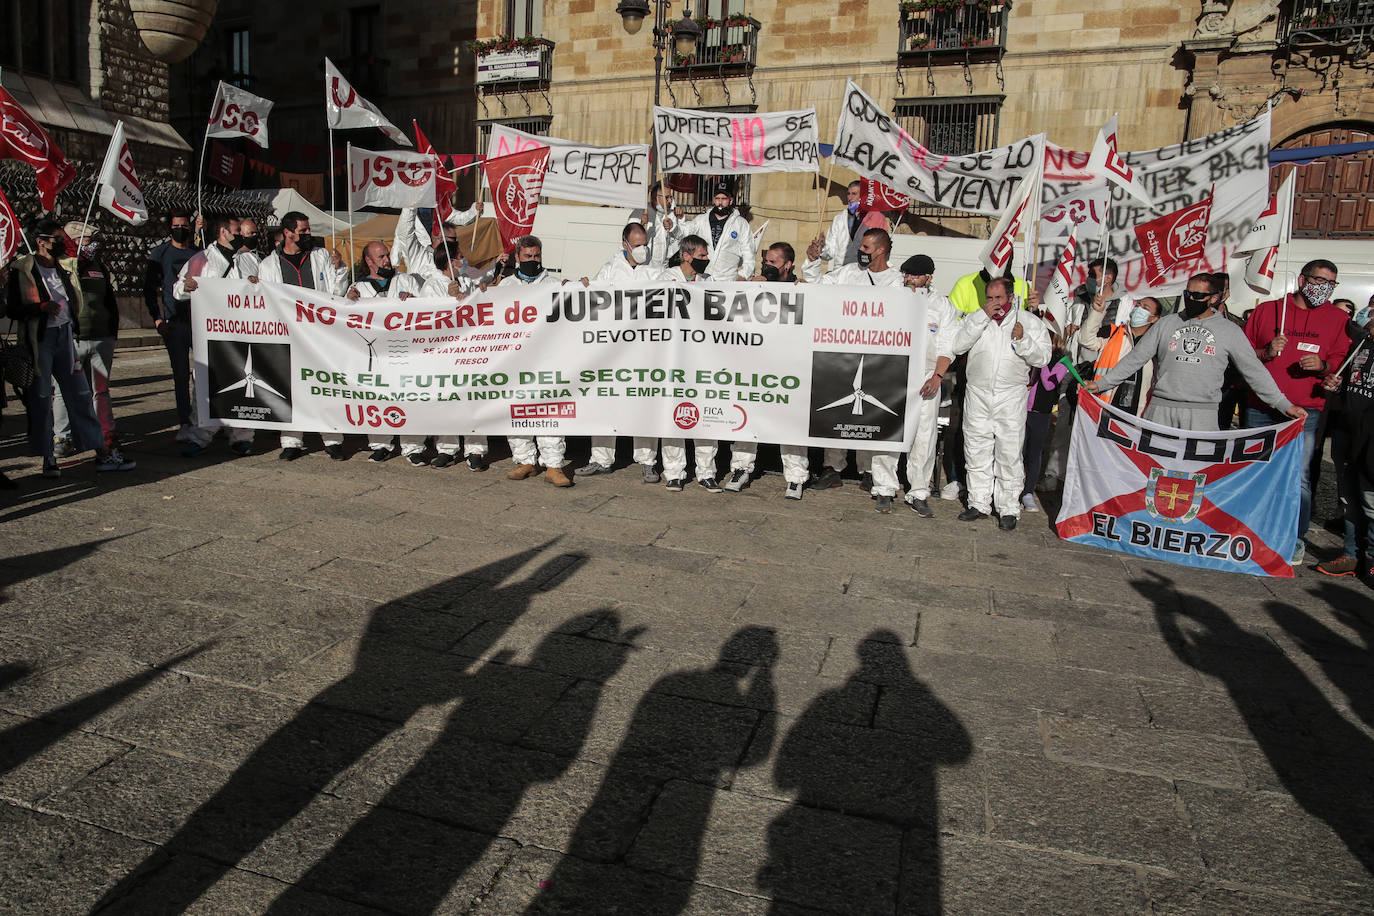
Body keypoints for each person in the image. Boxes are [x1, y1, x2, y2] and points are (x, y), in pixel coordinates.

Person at [1088, 273, 1304, 430]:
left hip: (1203, 415)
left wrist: (1284, 405)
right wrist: (1101, 384)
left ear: (1213, 298)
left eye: (1199, 296)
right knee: (1153, 473)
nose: (1191, 300)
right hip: (1160, 410)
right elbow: (1135, 359)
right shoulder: (1166, 324)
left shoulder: (1230, 331)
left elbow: (1254, 371)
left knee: (1193, 479)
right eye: (1188, 294)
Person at [6, 217, 135, 477]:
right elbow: (12, 309)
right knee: (43, 398)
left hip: (65, 337)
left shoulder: (65, 267)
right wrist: (39, 308)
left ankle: (101, 451)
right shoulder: (22, 269)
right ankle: (48, 457)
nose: (61, 244)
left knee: (81, 395)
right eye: (56, 239)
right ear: (41, 242)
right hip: (40, 340)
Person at [1243, 259, 1351, 565]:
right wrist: (1265, 351)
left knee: (1298, 478)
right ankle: (1250, 529)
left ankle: (1294, 537)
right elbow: (1242, 351)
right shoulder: (1269, 310)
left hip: (1306, 410)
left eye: (1331, 284)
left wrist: (1324, 366)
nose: (1324, 289)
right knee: (1255, 469)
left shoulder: (1336, 318)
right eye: (1319, 281)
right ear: (1302, 280)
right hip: (1261, 406)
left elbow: (1340, 358)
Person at [801, 228, 904, 504]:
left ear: (881, 250)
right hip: (841, 354)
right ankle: (832, 468)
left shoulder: (896, 281)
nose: (862, 251)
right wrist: (812, 261)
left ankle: (869, 471)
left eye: (867, 247)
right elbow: (816, 287)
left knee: (868, 415)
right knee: (837, 412)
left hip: (878, 358)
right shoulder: (847, 273)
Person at [951, 276, 1051, 529]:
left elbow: (1042, 358)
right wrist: (980, 318)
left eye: (999, 298)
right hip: (978, 392)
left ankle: (1008, 508)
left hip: (1011, 394)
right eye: (990, 298)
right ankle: (978, 502)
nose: (995, 303)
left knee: (1008, 451)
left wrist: (1023, 339)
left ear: (1010, 297)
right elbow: (958, 344)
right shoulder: (977, 319)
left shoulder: (1027, 322)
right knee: (976, 449)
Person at [250, 212, 348, 460]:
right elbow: (262, 301)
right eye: (303, 231)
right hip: (288, 334)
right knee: (290, 388)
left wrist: (339, 268)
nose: (308, 234)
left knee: (326, 384)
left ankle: (332, 438)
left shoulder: (320, 255)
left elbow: (336, 292)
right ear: (287, 232)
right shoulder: (269, 265)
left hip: (319, 332)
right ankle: (292, 440)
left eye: (308, 230)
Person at [575, 222, 665, 483]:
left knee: (645, 402)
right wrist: (582, 286)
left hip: (646, 348)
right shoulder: (609, 269)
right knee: (606, 400)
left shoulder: (655, 270)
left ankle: (648, 461)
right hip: (614, 349)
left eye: (644, 244)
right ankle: (601, 459)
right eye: (636, 245)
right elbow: (592, 299)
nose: (642, 250)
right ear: (624, 244)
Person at [171, 213, 259, 457]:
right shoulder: (201, 260)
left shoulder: (249, 260)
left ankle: (241, 436)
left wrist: (256, 284)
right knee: (206, 384)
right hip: (210, 331)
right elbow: (178, 289)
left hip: (242, 332)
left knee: (245, 383)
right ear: (222, 232)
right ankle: (200, 436)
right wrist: (186, 287)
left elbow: (261, 291)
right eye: (236, 229)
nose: (240, 233)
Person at [725, 241, 805, 496]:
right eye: (766, 261)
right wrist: (752, 284)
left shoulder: (799, 288)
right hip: (754, 362)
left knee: (791, 421)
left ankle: (795, 476)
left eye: (773, 262)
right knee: (745, 415)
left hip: (786, 364)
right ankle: (741, 468)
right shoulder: (755, 284)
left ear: (788, 264)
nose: (768, 266)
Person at [496, 236, 571, 488]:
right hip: (514, 359)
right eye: (527, 256)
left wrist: (581, 288)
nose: (533, 260)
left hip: (546, 359)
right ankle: (525, 461)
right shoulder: (504, 286)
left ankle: (553, 465)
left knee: (548, 410)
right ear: (517, 257)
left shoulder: (555, 284)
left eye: (536, 256)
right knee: (516, 410)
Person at [653, 234, 722, 492]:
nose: (706, 260)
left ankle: (706, 471)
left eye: (706, 255)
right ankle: (674, 472)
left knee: (706, 413)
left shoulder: (710, 281)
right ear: (686, 255)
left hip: (701, 356)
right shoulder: (666, 278)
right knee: (673, 413)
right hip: (672, 357)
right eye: (702, 256)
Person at [52, 221, 121, 458]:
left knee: (100, 391)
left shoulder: (99, 267)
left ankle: (104, 435)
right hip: (73, 339)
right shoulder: (61, 267)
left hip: (101, 339)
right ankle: (63, 435)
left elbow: (109, 302)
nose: (93, 245)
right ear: (73, 241)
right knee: (63, 389)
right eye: (88, 240)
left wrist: (112, 333)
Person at [899, 254, 960, 518]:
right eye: (906, 274)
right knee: (889, 430)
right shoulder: (893, 296)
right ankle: (884, 486)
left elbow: (948, 344)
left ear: (929, 278)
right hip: (894, 372)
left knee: (924, 435)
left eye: (914, 275)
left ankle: (919, 491)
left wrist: (937, 376)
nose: (909, 279)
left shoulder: (943, 306)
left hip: (926, 375)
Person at [1316, 304, 1374, 577]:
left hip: (1371, 436)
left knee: (1370, 499)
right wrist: (1335, 385)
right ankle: (1351, 554)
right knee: (1348, 496)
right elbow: (1346, 377)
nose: (1370, 318)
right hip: (1347, 429)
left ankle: (1371, 558)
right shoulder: (1361, 342)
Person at [143, 209, 199, 441]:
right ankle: (185, 421)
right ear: (170, 228)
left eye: (185, 226)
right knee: (181, 376)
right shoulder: (160, 253)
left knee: (204, 375)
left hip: (198, 322)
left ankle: (204, 419)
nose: (181, 229)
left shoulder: (199, 254)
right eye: (177, 225)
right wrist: (157, 320)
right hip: (174, 324)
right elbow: (149, 289)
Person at [1079, 295, 1163, 416]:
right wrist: (1097, 312)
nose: (1139, 308)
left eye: (1145, 307)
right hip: (1104, 405)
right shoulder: (1113, 332)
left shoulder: (1156, 345)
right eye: (1138, 304)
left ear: (1154, 318)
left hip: (1137, 413)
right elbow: (1085, 340)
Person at [679, 178, 756, 281]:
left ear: (730, 200)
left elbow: (749, 252)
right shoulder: (701, 220)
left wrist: (744, 275)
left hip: (728, 280)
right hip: (704, 279)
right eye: (717, 198)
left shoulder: (740, 223)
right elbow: (684, 232)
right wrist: (677, 222)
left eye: (724, 199)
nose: (720, 202)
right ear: (714, 199)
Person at [806, 180, 864, 272]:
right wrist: (821, 247)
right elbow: (829, 252)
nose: (850, 197)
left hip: (862, 272)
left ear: (863, 196)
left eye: (854, 194)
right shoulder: (839, 218)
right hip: (840, 272)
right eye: (848, 194)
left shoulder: (872, 218)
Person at [633, 180, 683, 270]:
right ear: (656, 198)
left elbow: (679, 239)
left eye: (671, 197)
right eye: (667, 197)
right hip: (643, 268)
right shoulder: (641, 213)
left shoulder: (671, 215)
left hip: (662, 269)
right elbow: (630, 240)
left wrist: (673, 228)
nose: (670, 201)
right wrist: (642, 224)